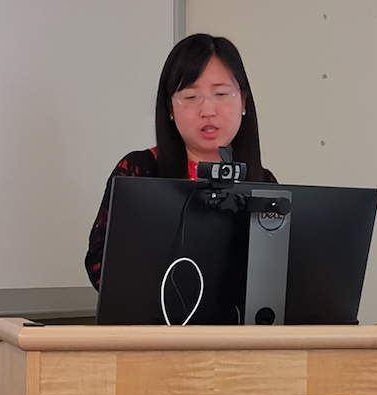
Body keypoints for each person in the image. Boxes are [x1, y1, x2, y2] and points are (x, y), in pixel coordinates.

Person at [84, 33, 276, 289]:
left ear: (243, 101)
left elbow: (277, 272)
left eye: (221, 94)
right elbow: (101, 266)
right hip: (156, 314)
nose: (208, 110)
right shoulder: (139, 172)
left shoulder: (263, 182)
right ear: (170, 109)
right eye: (191, 96)